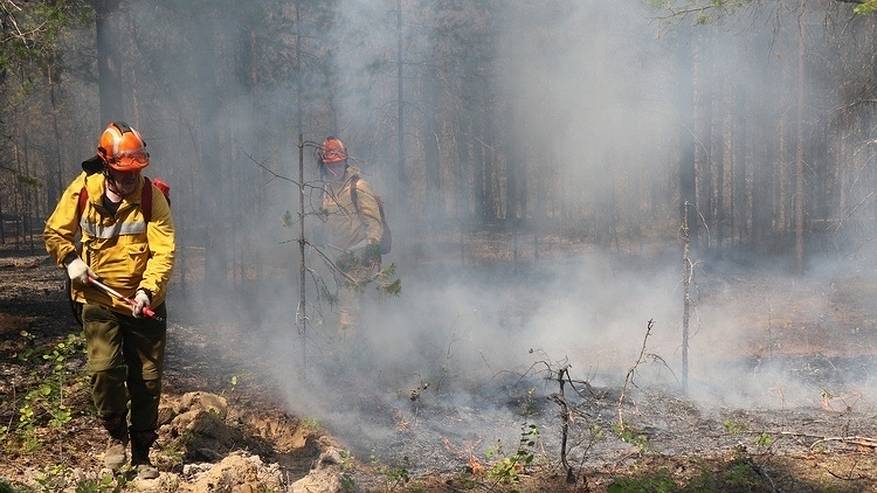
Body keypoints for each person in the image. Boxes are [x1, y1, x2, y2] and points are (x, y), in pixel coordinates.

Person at [44, 121, 175, 478]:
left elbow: (163, 252)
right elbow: (55, 231)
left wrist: (147, 290)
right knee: (104, 371)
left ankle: (143, 455)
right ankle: (116, 435)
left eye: (136, 170)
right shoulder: (83, 190)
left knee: (147, 380)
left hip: (143, 302)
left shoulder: (152, 198)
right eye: (123, 171)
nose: (131, 178)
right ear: (106, 165)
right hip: (98, 300)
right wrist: (71, 261)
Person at [318, 136, 384, 334]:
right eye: (330, 165)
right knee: (350, 305)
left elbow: (374, 222)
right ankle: (368, 346)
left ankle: (347, 355)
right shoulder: (327, 190)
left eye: (338, 164)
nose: (335, 169)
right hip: (338, 257)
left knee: (349, 308)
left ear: (345, 162)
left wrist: (373, 250)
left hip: (359, 255)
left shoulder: (358, 186)